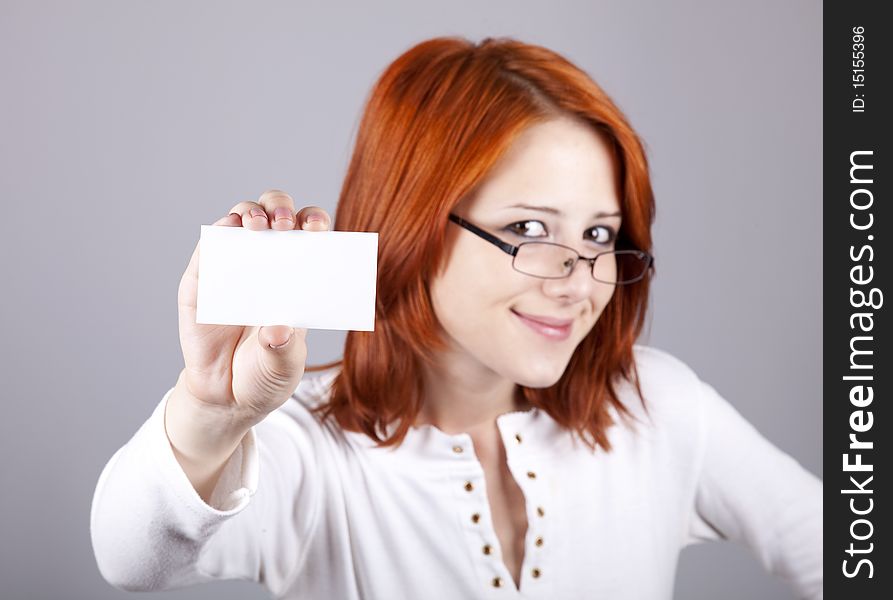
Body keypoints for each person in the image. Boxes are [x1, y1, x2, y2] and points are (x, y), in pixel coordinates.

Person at [90, 36, 822, 599]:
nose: (579, 282)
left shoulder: (653, 407)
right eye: (532, 230)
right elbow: (129, 556)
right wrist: (210, 411)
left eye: (599, 234)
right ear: (417, 222)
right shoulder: (306, 446)